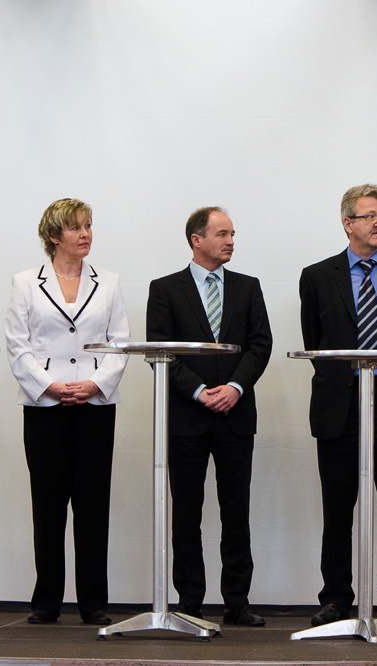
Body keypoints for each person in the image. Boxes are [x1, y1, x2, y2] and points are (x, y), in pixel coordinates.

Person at [299, 183, 377, 626]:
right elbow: (314, 344)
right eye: (371, 216)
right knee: (337, 509)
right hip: (341, 407)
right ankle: (336, 597)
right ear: (347, 223)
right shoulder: (317, 276)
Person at [146, 206, 272, 626]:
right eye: (221, 233)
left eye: (233, 233)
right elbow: (159, 352)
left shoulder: (248, 287)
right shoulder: (165, 289)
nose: (230, 241)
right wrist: (200, 392)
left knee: (236, 510)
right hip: (187, 417)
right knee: (187, 512)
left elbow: (260, 346)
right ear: (196, 239)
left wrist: (234, 388)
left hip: (235, 414)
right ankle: (190, 602)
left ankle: (237, 601)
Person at [5, 198, 129, 625]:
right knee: (49, 502)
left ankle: (94, 601)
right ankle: (46, 601)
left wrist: (95, 384)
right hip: (45, 407)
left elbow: (119, 344)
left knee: (94, 504)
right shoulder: (25, 281)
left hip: (95, 404)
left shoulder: (109, 282)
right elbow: (18, 348)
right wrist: (50, 387)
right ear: (54, 235)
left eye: (89, 226)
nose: (86, 234)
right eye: (77, 228)